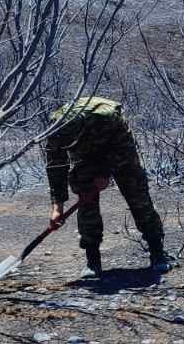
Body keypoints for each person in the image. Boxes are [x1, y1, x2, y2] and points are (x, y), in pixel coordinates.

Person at [43, 96, 170, 275]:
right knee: (86, 199)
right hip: (85, 155)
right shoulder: (56, 129)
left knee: (137, 195)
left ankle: (157, 252)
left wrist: (105, 173)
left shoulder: (106, 117)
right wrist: (57, 206)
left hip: (118, 147)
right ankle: (92, 260)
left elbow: (124, 150)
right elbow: (55, 166)